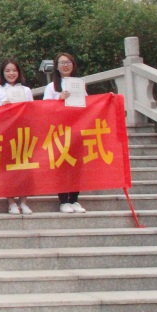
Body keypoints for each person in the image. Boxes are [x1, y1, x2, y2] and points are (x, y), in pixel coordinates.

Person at [0, 59, 34, 216]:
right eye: (7, 71)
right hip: (6, 133)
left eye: (14, 70)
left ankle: (24, 201)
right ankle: (11, 202)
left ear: (19, 72)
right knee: (8, 169)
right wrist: (3, 109)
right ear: (2, 73)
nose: (11, 73)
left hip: (23, 133)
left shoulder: (26, 91)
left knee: (25, 168)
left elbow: (33, 111)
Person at [44, 53, 87, 214]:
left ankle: (74, 199)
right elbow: (45, 109)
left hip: (77, 129)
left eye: (68, 62)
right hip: (59, 131)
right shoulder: (51, 87)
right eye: (62, 63)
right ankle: (63, 200)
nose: (65, 65)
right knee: (62, 165)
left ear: (73, 64)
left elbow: (88, 103)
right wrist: (59, 99)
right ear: (56, 66)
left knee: (77, 166)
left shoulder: (79, 83)